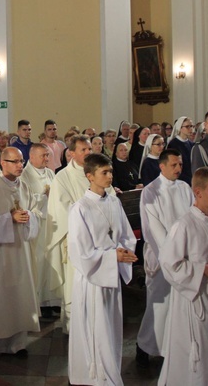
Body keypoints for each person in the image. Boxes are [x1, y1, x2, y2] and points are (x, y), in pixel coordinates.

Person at [68, 153, 138, 385]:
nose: (109, 176)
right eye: (104, 173)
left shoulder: (114, 201)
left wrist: (124, 253)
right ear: (89, 176)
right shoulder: (80, 208)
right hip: (93, 279)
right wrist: (111, 256)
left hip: (112, 274)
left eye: (110, 172)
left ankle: (110, 371)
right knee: (94, 327)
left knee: (110, 327)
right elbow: (80, 252)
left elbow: (126, 235)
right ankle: (94, 374)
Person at [158, 167, 208, 386]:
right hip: (192, 302)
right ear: (198, 192)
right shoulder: (184, 225)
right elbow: (169, 264)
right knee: (196, 358)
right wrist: (203, 270)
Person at [0, 147, 41, 355]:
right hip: (1, 253)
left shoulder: (25, 187)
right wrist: (8, 219)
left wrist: (30, 215)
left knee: (21, 294)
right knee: (3, 296)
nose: (21, 165)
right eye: (16, 161)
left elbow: (35, 210)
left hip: (22, 250)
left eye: (22, 161)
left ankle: (19, 343)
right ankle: (1, 344)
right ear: (3, 163)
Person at [49, 134, 115, 333]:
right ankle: (73, 325)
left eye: (89, 149)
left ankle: (98, 321)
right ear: (71, 153)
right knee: (75, 283)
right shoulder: (62, 177)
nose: (88, 153)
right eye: (83, 150)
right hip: (78, 239)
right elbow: (61, 209)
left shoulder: (97, 172)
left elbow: (108, 197)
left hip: (101, 240)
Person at [135, 148, 193, 367]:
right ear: (162, 166)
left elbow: (191, 218)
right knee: (159, 306)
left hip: (184, 255)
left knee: (178, 307)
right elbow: (153, 229)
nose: (179, 168)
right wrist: (172, 254)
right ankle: (144, 345)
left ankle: (173, 349)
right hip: (161, 257)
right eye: (174, 165)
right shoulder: (151, 191)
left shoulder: (185, 188)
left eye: (180, 165)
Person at [20, 143, 57, 313]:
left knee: (51, 261)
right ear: (32, 156)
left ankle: (52, 300)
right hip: (35, 225)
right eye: (43, 155)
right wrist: (43, 197)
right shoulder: (24, 175)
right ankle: (40, 303)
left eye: (48, 155)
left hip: (51, 224)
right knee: (38, 262)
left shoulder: (50, 172)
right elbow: (24, 200)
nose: (47, 159)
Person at [167, 116, 194, 185]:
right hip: (180, 180)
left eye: (191, 126)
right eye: (187, 126)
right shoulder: (173, 144)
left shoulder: (192, 144)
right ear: (180, 128)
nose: (191, 129)